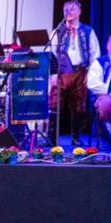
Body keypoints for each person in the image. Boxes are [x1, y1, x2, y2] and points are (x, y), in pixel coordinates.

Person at [51, 0, 100, 146]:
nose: (68, 12)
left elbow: (95, 53)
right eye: (66, 10)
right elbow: (52, 53)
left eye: (72, 9)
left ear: (79, 12)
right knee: (54, 103)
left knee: (78, 106)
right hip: (62, 73)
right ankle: (52, 138)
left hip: (80, 72)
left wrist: (91, 74)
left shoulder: (88, 31)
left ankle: (76, 137)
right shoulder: (58, 31)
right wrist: (54, 73)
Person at [87, 34, 111, 144]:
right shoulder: (100, 62)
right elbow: (93, 84)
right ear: (108, 45)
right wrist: (108, 92)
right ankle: (108, 135)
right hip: (103, 96)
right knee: (107, 104)